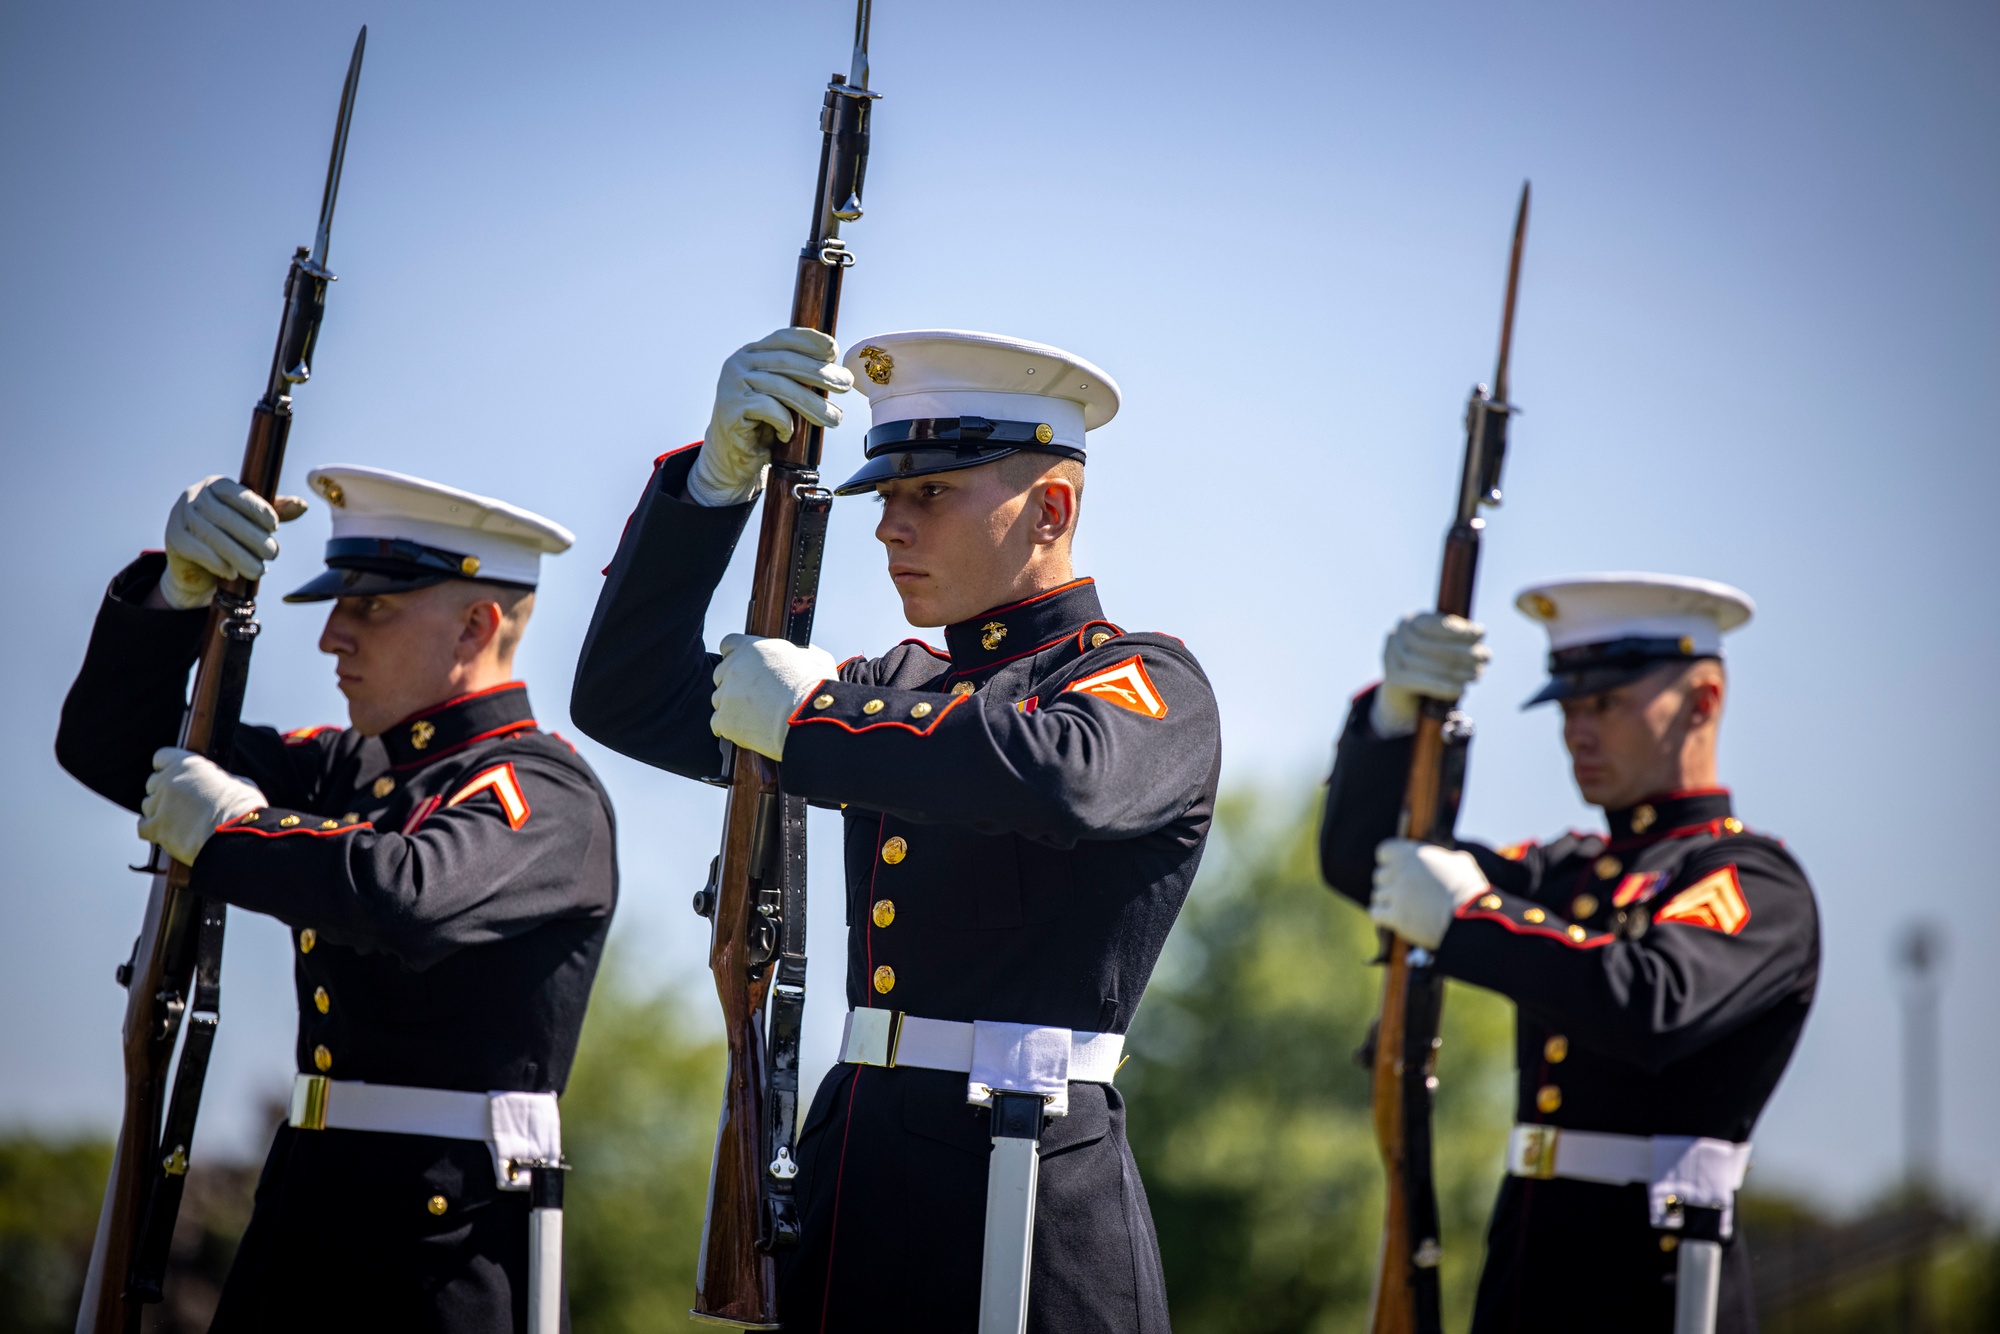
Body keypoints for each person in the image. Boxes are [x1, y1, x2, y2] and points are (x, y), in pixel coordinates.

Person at [572, 327, 1220, 1331]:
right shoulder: (894, 692)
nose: (889, 527)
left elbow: (1059, 777)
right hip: (859, 1161)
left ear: (1050, 507)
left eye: (931, 493)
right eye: (885, 496)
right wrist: (711, 487)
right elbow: (624, 694)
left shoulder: (1142, 680)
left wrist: (811, 719)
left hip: (1031, 1174)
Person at [56, 465, 615, 1332]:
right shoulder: (347, 768)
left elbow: (408, 895)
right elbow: (113, 749)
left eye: (372, 607)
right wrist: (175, 592)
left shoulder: (546, 792)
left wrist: (233, 833)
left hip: (444, 1249)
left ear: (477, 623)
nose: (331, 637)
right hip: (302, 1213)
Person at [1319, 574, 1819, 1334]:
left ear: (1704, 700)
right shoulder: (1569, 871)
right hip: (1526, 1261)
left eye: (1607, 704)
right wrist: (1392, 715)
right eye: (1569, 706)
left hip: (1656, 1279)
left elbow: (1651, 1003)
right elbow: (1373, 862)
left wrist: (1470, 920)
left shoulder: (1750, 879)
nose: (1577, 730)